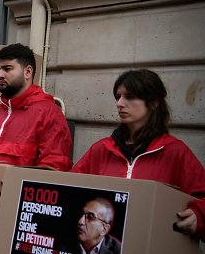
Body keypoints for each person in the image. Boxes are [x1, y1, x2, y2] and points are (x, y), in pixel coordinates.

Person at [71, 69, 205, 241]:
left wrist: (198, 216)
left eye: (130, 97)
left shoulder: (175, 151)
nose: (120, 103)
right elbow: (70, 191)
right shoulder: (100, 150)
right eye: (118, 96)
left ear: (154, 102)